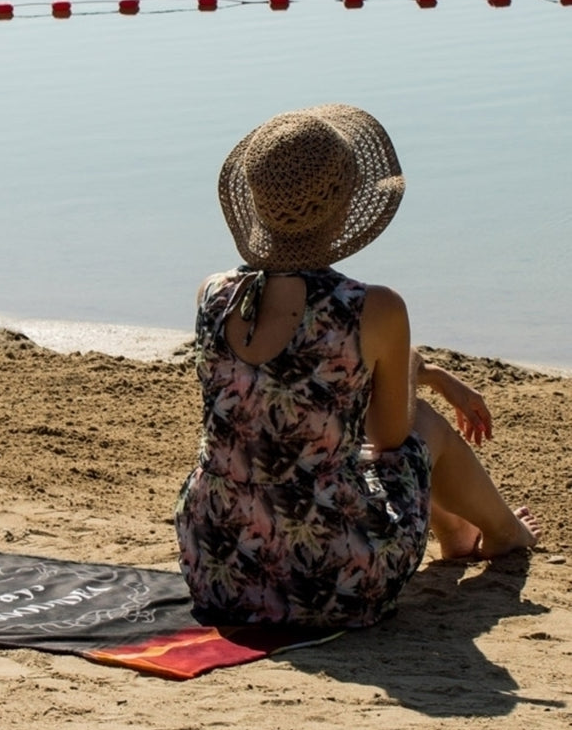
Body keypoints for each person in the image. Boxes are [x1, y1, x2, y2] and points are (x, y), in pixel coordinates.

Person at [174, 104, 540, 628]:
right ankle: (503, 534)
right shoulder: (373, 307)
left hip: (220, 567)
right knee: (422, 428)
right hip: (331, 579)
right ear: (346, 204)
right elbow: (390, 435)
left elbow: (278, 388)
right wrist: (421, 375)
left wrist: (427, 372)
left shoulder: (214, 294)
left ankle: (459, 535)